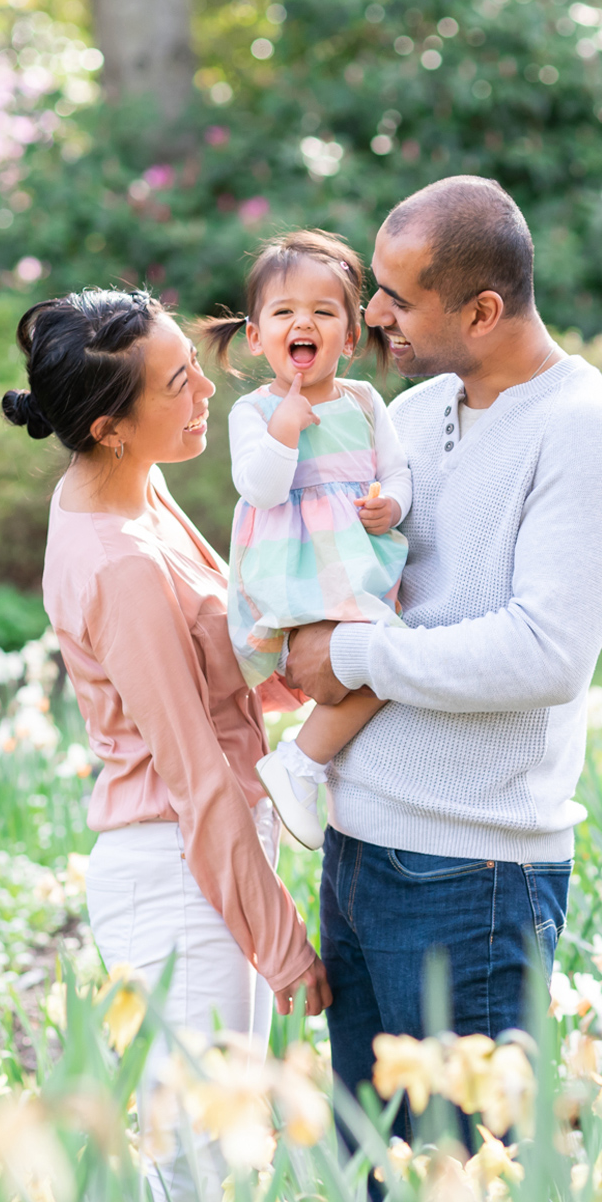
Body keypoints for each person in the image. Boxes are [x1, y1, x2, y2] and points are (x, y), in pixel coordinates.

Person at [285, 176, 602, 1126]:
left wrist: (359, 655)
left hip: (472, 879)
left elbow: (544, 653)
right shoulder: (407, 416)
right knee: (376, 1186)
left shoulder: (588, 432)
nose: (371, 314)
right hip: (358, 854)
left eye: (401, 298)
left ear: (483, 309)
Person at [2, 288, 330, 1202]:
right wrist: (283, 950)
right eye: (176, 382)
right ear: (107, 427)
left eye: (194, 363)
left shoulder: (128, 483)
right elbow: (193, 778)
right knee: (195, 1180)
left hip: (201, 866)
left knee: (205, 1172)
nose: (204, 393)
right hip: (181, 878)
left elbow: (226, 665)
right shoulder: (121, 565)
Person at [203, 230, 412, 851]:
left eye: (324, 312)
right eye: (285, 312)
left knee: (378, 663)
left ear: (349, 338)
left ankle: (303, 763)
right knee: (384, 660)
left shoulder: (365, 400)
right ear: (256, 334)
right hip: (292, 570)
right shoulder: (255, 412)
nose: (305, 323)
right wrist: (285, 429)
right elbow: (260, 489)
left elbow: (397, 468)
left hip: (355, 562)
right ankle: (298, 765)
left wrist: (392, 501)